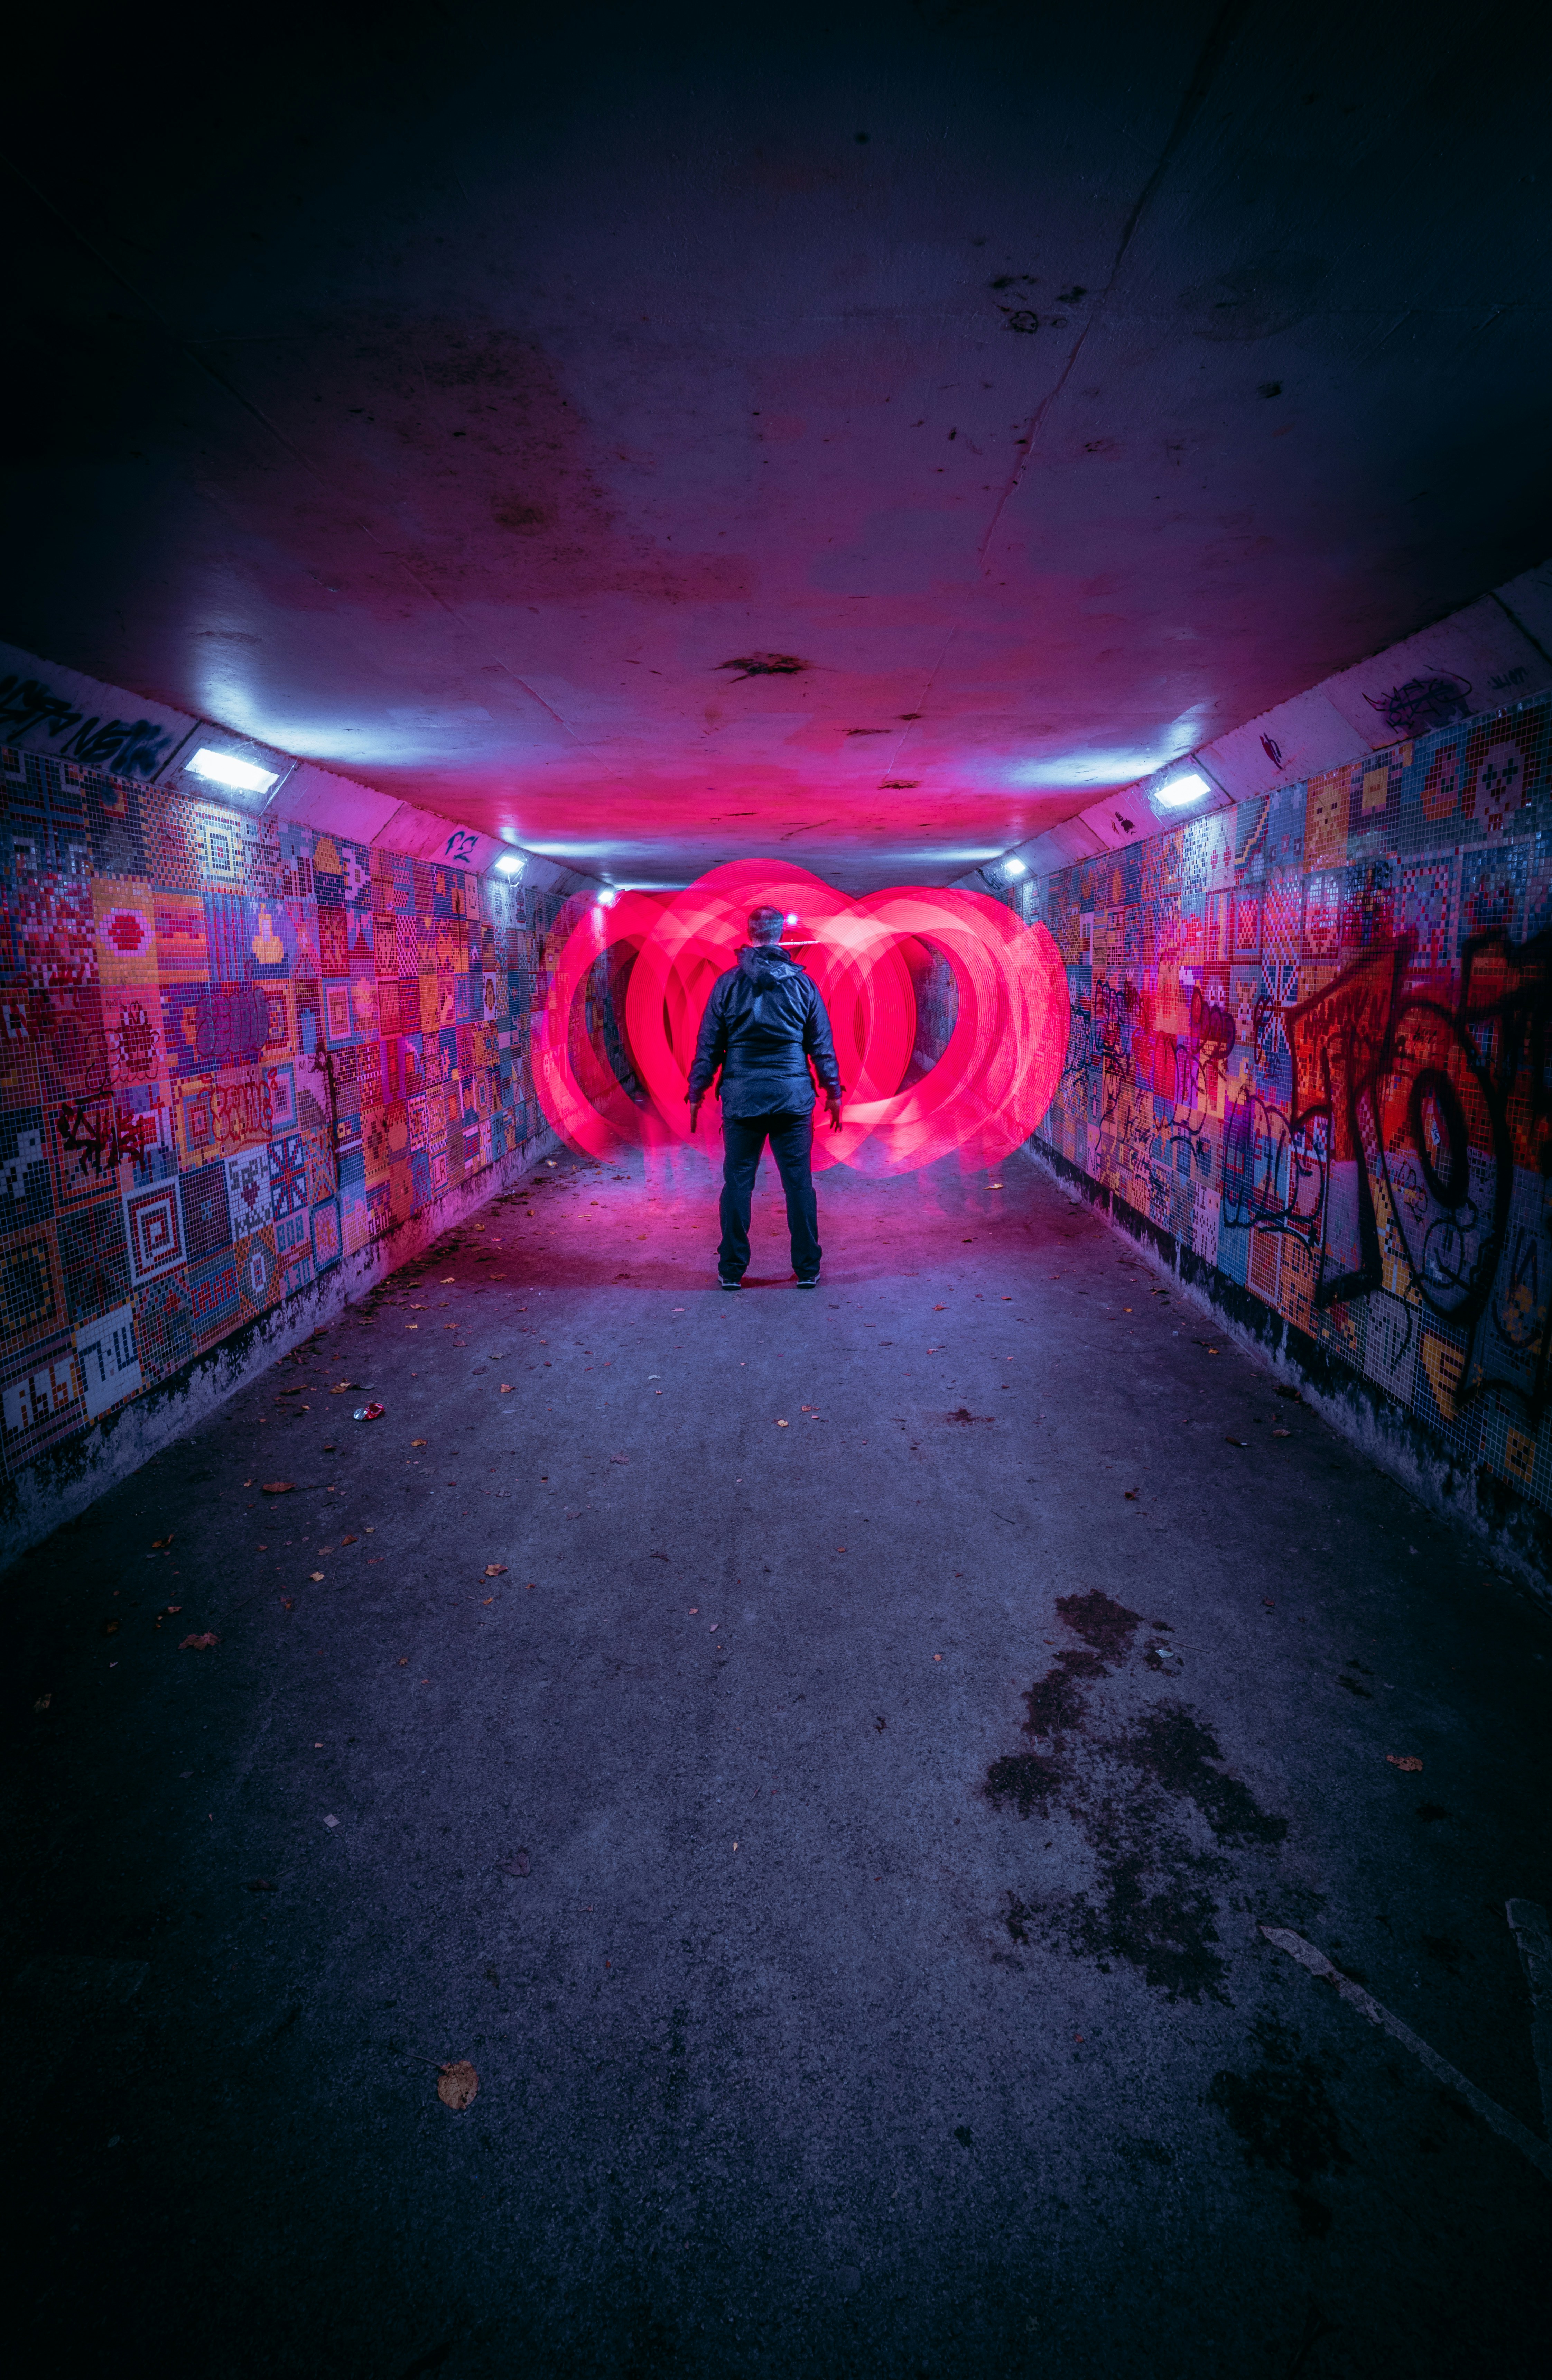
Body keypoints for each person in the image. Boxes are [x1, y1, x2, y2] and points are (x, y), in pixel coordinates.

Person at [686, 905, 844, 1288]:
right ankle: (808, 1269)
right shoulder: (804, 985)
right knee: (799, 1184)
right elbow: (820, 1045)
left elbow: (709, 1044)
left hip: (742, 1097)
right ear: (780, 936)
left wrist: (696, 1090)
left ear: (749, 934)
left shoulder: (726, 984)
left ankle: (731, 1272)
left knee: (738, 1183)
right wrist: (833, 1091)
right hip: (792, 1096)